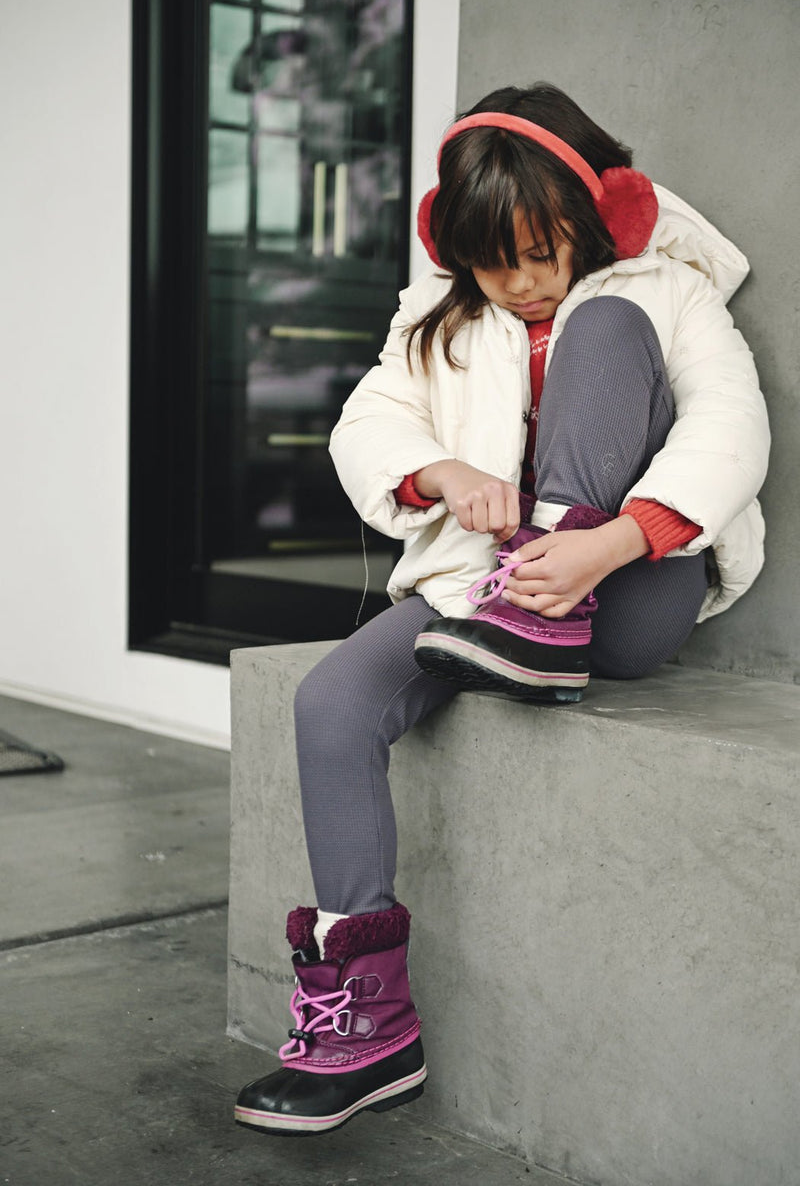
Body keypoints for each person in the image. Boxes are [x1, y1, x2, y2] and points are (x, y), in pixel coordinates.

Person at [234, 82, 769, 1135]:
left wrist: (604, 541)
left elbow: (731, 428)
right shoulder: (434, 318)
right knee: (329, 706)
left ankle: (541, 612)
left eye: (541, 253)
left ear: (591, 222)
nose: (519, 283)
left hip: (624, 589)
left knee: (603, 327)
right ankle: (365, 1025)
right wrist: (435, 473)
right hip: (483, 595)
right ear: (459, 249)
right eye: (492, 261)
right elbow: (365, 426)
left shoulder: (660, 292)